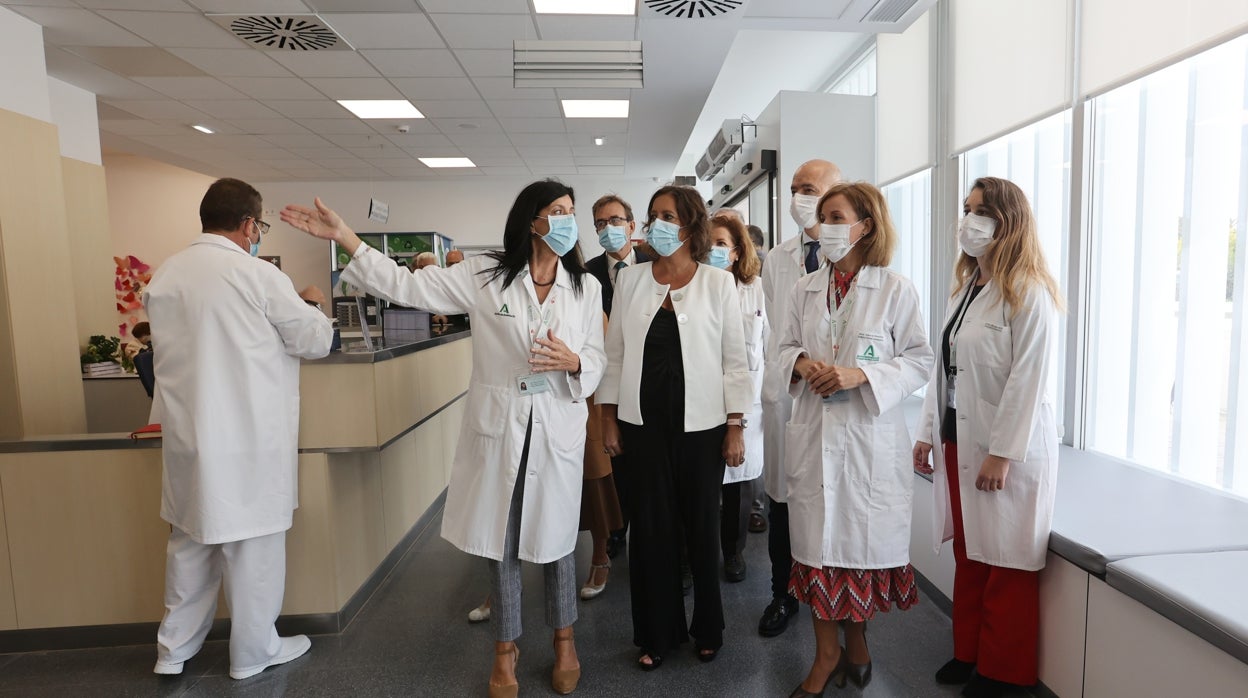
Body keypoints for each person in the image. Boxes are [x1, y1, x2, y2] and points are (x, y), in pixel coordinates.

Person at [282, 180, 605, 698]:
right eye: (557, 211)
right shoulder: (485, 275)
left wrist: (576, 363)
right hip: (502, 429)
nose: (568, 220)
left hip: (556, 427)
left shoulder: (584, 287)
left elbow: (597, 358)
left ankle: (565, 640)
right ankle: (505, 649)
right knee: (501, 543)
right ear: (532, 220)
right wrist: (346, 237)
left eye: (571, 212)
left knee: (558, 541)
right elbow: (408, 288)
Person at [144, 178, 333, 680]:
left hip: (188, 438)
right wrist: (313, 306)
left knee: (190, 544)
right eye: (260, 226)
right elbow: (314, 341)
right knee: (254, 551)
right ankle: (253, 653)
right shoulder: (255, 274)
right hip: (248, 438)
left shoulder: (166, 275)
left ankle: (173, 651)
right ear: (250, 224)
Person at [781, 183, 933, 696]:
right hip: (815, 433)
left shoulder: (896, 290)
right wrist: (801, 364)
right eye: (822, 217)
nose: (825, 226)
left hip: (868, 439)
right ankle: (826, 656)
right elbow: (780, 348)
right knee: (819, 555)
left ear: (865, 225)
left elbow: (919, 361)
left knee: (853, 555)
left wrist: (861, 377)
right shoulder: (804, 289)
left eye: (836, 216)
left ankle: (859, 643)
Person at [913, 177, 1063, 698]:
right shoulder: (966, 288)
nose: (969, 221)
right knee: (970, 553)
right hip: (960, 440)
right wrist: (928, 433)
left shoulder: (1029, 291)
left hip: (1006, 452)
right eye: (967, 209)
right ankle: (968, 652)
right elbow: (944, 370)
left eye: (982, 212)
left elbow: (1030, 379)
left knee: (1008, 562)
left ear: (1009, 222)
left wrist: (1001, 454)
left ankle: (1004, 674)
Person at [598, 186, 752, 669]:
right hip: (642, 424)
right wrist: (607, 419)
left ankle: (708, 627)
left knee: (703, 527)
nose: (657, 224)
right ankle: (657, 634)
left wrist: (735, 425)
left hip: (703, 425)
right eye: (653, 215)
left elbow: (735, 361)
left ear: (690, 225)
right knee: (652, 532)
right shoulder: (632, 281)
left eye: (668, 215)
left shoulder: (717, 283)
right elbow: (615, 354)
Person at [758, 158, 842, 638]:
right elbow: (777, 336)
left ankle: (833, 600)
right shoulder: (778, 259)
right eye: (793, 188)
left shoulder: (861, 259)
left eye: (807, 188)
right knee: (783, 504)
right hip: (790, 396)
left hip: (836, 401)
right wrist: (794, 368)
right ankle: (781, 594)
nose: (798, 198)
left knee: (830, 504)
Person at [584, 194, 651, 560]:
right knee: (614, 460)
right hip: (605, 381)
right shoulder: (585, 273)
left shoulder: (655, 265)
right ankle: (615, 529)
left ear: (631, 224)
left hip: (647, 379)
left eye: (614, 220)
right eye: (600, 223)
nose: (608, 229)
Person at [707, 213, 767, 584]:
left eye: (721, 244)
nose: (714, 251)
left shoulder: (757, 289)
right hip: (703, 400)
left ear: (736, 250)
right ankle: (691, 558)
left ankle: (734, 552)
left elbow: (770, 345)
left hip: (747, 402)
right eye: (707, 243)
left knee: (739, 484)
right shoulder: (694, 287)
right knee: (700, 483)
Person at [578, 313, 624, 600]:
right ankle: (507, 583)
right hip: (536, 398)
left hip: (585, 399)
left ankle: (600, 558)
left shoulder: (587, 293)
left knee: (595, 485)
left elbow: (607, 359)